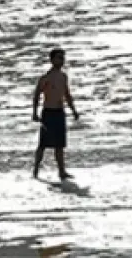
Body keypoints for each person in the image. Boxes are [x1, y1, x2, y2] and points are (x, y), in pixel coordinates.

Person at [31, 47, 80, 182]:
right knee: (43, 144)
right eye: (59, 58)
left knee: (60, 144)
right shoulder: (45, 78)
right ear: (52, 60)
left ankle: (61, 171)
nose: (62, 60)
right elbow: (37, 95)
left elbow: (67, 95)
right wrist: (34, 113)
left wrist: (74, 110)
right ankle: (35, 169)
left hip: (59, 112)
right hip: (48, 112)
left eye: (63, 58)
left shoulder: (63, 77)